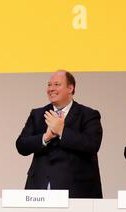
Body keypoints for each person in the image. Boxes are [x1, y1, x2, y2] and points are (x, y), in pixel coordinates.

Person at [16, 70, 103, 198]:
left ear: (70, 88)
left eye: (57, 84)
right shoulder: (38, 114)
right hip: (40, 189)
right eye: (49, 85)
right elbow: (21, 145)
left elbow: (92, 145)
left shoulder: (88, 115)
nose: (51, 89)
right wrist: (45, 138)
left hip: (76, 191)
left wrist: (62, 131)